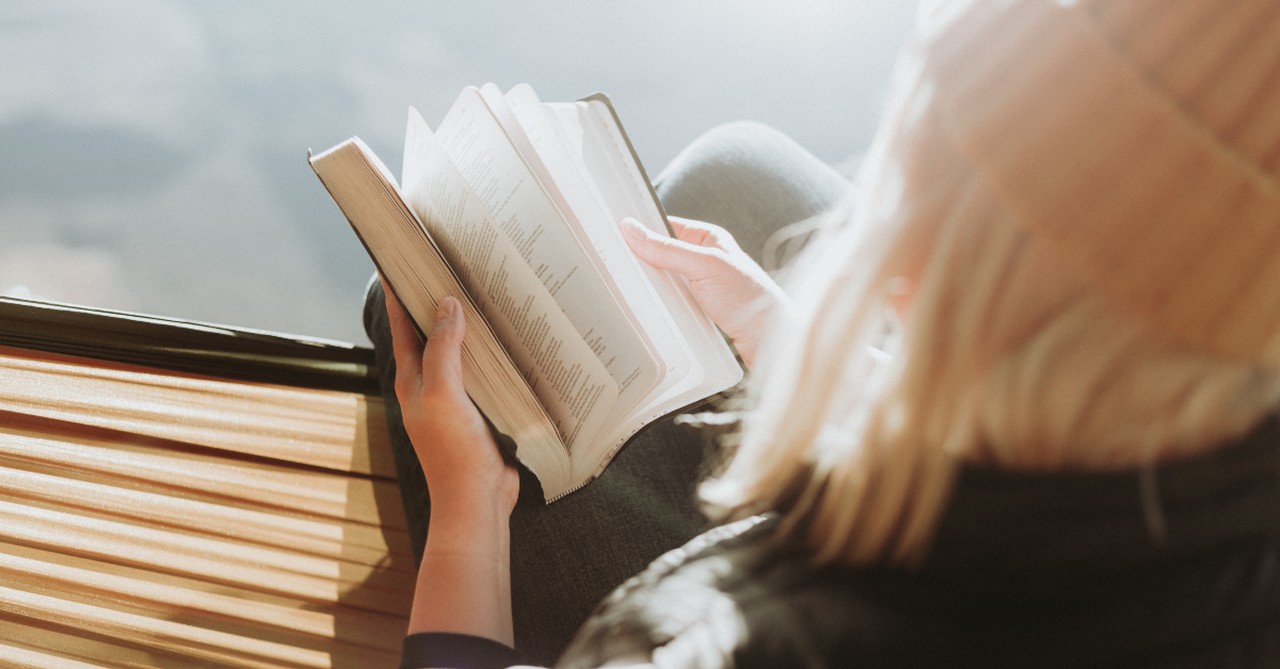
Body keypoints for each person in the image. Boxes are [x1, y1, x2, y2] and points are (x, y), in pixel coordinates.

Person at [367, 0, 1280, 666]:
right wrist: (783, 332)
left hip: (806, 583)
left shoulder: (704, 646)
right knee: (736, 170)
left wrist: (468, 509)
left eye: (902, 173)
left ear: (922, 264)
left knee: (409, 302)